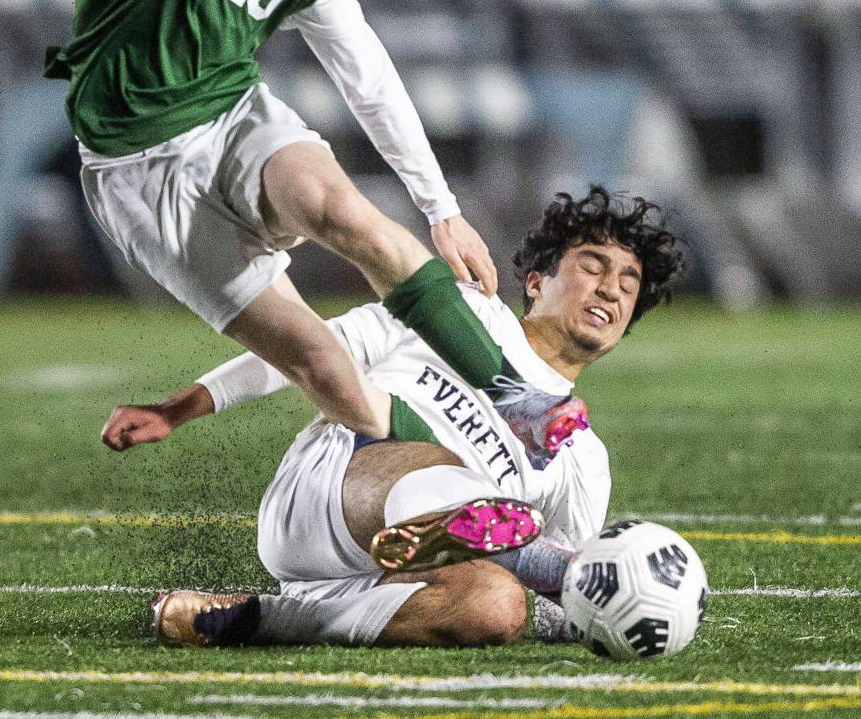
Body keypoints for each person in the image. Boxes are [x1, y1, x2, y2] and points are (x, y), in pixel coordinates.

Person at [44, 0, 535, 441]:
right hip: (137, 172)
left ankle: (522, 401)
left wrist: (442, 210)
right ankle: (450, 476)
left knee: (338, 208)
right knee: (321, 364)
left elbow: (365, 71)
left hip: (233, 115)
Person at [102, 188, 685, 647]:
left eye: (628, 284)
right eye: (593, 266)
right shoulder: (461, 313)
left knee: (496, 606)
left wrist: (612, 610)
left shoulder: (583, 457)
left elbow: (574, 601)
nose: (610, 289)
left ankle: (269, 617)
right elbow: (311, 349)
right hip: (327, 498)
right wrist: (182, 407)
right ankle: (482, 524)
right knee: (429, 462)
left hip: (389, 579)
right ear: (536, 281)